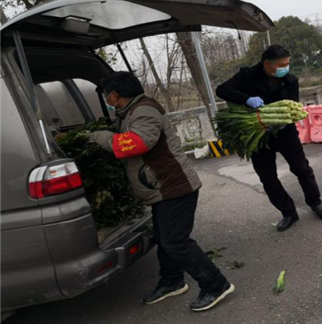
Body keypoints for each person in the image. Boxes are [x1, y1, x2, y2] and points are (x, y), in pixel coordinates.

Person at [88, 72, 234, 311]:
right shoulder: (130, 111)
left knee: (175, 241)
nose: (107, 99)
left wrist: (98, 137)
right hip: (160, 187)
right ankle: (172, 281)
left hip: (173, 187)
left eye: (106, 95)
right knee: (165, 239)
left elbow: (134, 144)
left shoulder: (144, 111)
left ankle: (216, 284)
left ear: (114, 95)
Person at [216, 45, 322, 232]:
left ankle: (315, 202)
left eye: (288, 63)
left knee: (302, 168)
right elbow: (222, 90)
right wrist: (246, 99)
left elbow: (293, 105)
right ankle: (288, 213)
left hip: (285, 133)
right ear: (267, 64)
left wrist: (279, 122)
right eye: (282, 64)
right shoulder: (247, 75)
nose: (286, 67)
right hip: (258, 136)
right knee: (268, 177)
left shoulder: (290, 80)